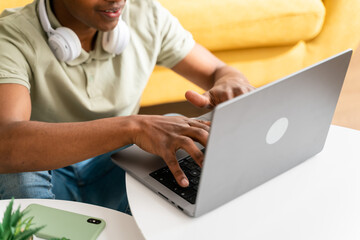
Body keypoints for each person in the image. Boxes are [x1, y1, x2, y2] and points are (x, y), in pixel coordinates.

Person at [0, 0, 254, 213]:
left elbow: (218, 71)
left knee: (179, 135)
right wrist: (134, 126)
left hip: (111, 169)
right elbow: (6, 142)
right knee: (17, 171)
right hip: (49, 173)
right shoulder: (11, 36)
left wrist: (232, 80)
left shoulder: (146, 14)